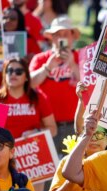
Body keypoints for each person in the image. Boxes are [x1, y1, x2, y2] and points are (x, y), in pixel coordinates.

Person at [30, 16, 81, 156]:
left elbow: (89, 85)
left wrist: (72, 64)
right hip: (45, 126)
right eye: (57, 34)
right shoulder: (40, 59)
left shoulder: (81, 58)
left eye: (65, 34)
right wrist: (47, 67)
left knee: (72, 173)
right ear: (51, 38)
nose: (61, 38)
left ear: (72, 37)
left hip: (75, 126)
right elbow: (30, 84)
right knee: (48, 174)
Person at [49, 126, 107, 191]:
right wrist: (71, 177)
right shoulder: (67, 163)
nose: (93, 139)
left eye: (99, 135)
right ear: (81, 138)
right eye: (89, 135)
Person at [0, 58, 57, 139]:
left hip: (32, 149)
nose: (13, 74)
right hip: (4, 150)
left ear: (26, 77)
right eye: (9, 70)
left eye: (18, 71)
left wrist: (37, 132)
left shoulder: (38, 98)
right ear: (4, 75)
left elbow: (53, 130)